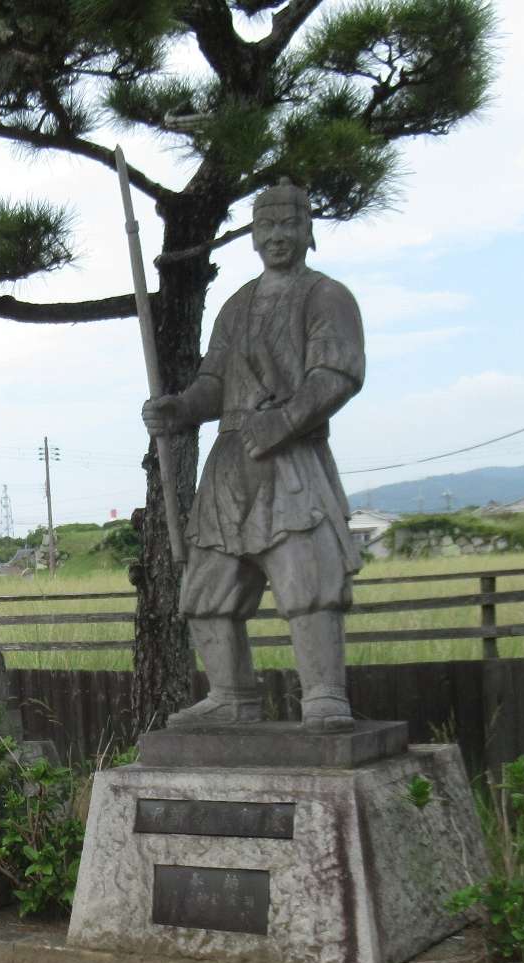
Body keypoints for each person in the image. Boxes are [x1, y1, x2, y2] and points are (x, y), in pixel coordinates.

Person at [141, 182, 365, 729]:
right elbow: (213, 380)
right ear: (253, 236)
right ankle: (231, 694)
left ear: (308, 231)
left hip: (291, 459)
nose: (278, 236)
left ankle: (323, 692)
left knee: (307, 578)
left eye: (289, 224)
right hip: (230, 463)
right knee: (206, 588)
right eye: (266, 226)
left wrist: (283, 422)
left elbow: (337, 375)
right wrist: (180, 409)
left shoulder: (326, 296)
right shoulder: (236, 306)